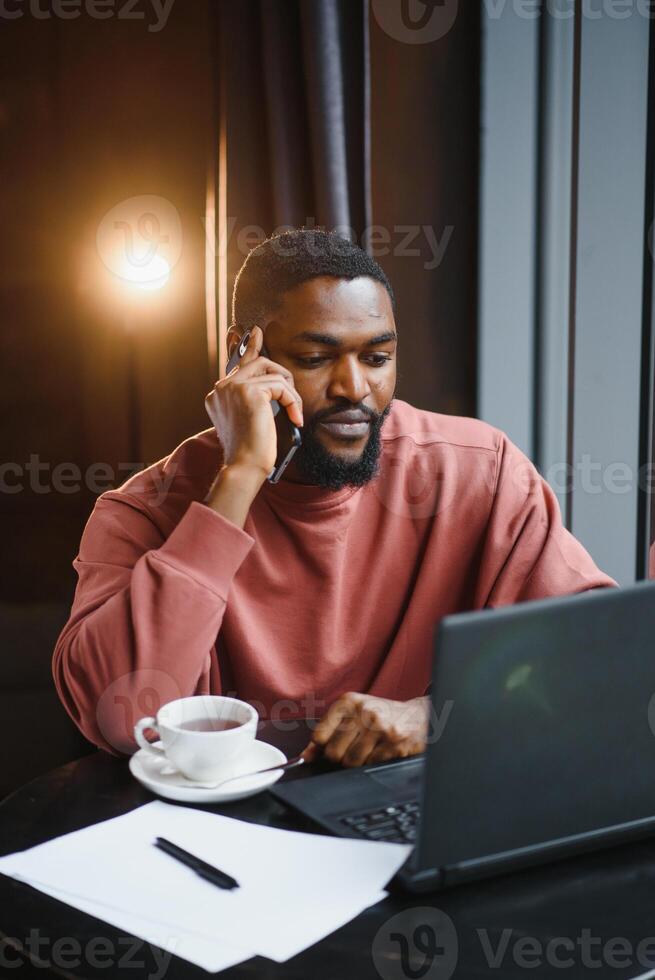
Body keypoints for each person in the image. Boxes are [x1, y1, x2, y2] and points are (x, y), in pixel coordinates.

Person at [53, 229, 616, 763]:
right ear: (242, 356)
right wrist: (241, 474)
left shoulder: (479, 472)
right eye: (316, 359)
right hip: (228, 830)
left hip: (407, 816)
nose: (355, 388)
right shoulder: (143, 512)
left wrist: (431, 719)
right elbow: (124, 720)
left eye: (377, 358)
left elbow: (597, 657)